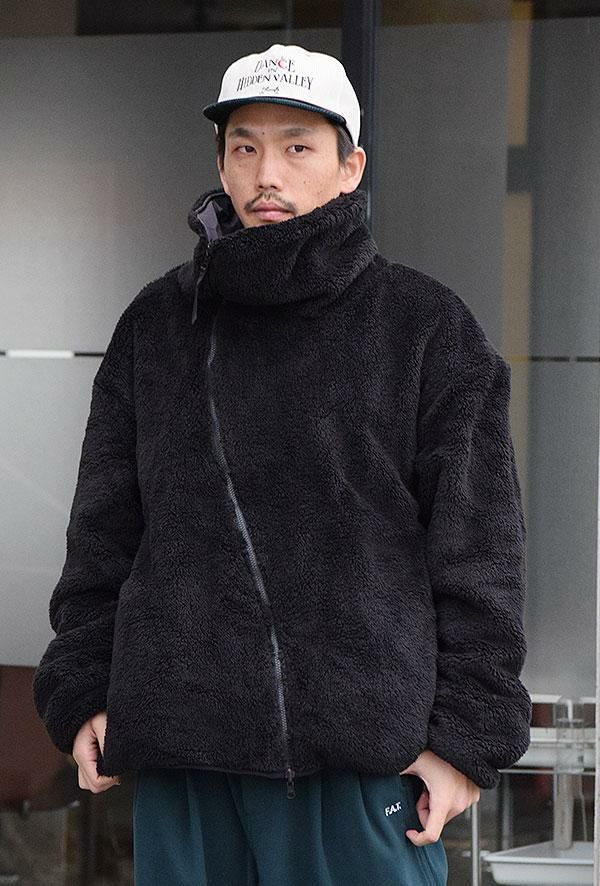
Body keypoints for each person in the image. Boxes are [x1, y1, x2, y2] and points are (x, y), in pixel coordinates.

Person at [33, 43, 531, 886]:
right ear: (222, 165)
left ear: (349, 168)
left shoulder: (424, 326)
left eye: (298, 146)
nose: (268, 172)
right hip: (184, 751)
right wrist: (84, 687)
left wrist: (464, 742)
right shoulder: (157, 324)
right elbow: (103, 534)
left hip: (360, 761)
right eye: (245, 146)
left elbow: (479, 553)